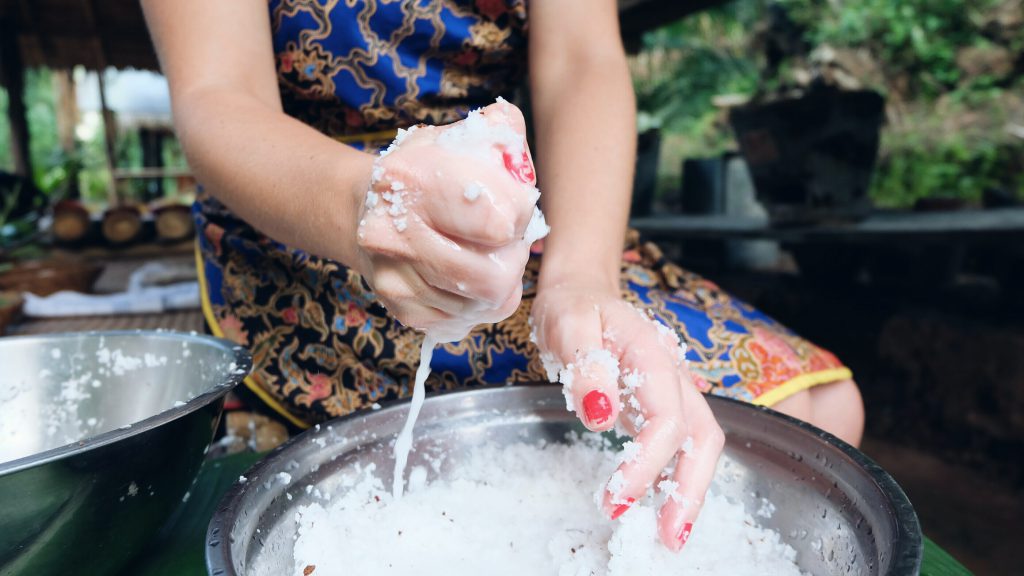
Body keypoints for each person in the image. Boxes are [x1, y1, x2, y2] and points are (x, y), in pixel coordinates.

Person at [142, 0, 864, 552]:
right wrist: (373, 204)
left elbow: (583, 63)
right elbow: (216, 97)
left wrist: (581, 281)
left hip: (513, 217)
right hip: (307, 218)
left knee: (817, 419)